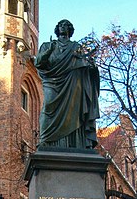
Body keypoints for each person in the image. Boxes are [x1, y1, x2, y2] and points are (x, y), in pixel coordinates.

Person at [34, 19, 100, 149]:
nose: (63, 27)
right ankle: (45, 139)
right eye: (61, 25)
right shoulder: (48, 45)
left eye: (66, 25)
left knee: (74, 112)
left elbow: (84, 65)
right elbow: (38, 63)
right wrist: (49, 51)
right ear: (57, 29)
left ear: (70, 30)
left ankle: (75, 143)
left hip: (73, 81)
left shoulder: (76, 47)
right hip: (52, 81)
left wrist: (92, 67)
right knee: (48, 106)